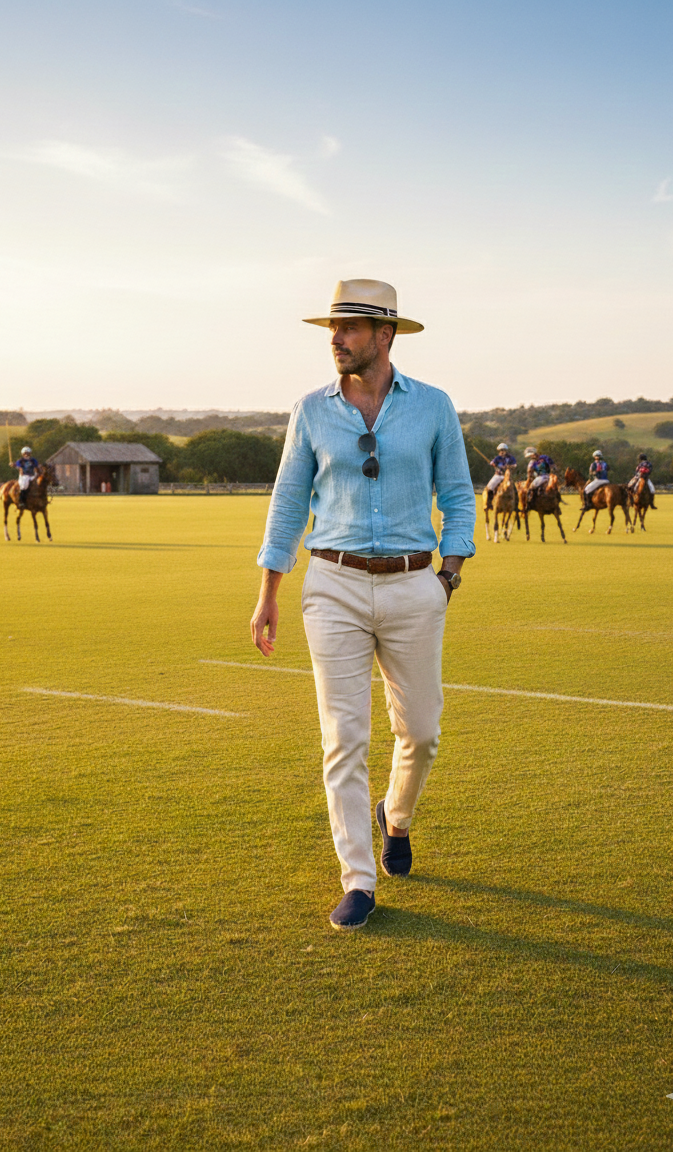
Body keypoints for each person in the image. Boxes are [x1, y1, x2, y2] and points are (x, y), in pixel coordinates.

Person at [251, 279, 476, 932]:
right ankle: (357, 880)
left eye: (348, 328)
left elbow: (459, 494)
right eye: (332, 327)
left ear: (384, 336)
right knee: (344, 739)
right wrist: (269, 591)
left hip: (414, 585)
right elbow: (288, 501)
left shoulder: (433, 407)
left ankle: (396, 818)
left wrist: (449, 575)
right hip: (333, 586)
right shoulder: (310, 410)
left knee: (422, 733)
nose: (335, 338)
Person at [484, 443, 517, 511]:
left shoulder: (510, 458)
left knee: (515, 489)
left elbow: (515, 465)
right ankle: (489, 503)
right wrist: (493, 464)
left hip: (507, 477)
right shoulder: (497, 458)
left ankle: (516, 506)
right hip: (498, 476)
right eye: (501, 450)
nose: (502, 451)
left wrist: (509, 466)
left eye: (503, 450)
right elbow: (492, 463)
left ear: (506, 450)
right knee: (489, 487)